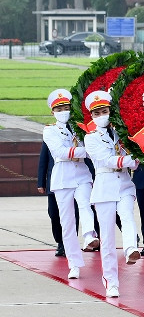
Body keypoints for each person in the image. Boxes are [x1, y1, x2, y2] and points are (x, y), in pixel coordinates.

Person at [82, 91, 141, 297]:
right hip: (105, 186)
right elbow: (107, 159)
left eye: (104, 111)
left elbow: (135, 156)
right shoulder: (90, 138)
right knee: (107, 238)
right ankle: (111, 281)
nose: (101, 115)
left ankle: (131, 248)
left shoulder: (121, 133)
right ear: (92, 116)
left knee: (127, 215)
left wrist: (136, 157)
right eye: (97, 113)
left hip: (124, 182)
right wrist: (131, 159)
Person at [42, 89, 97, 280]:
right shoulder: (49, 130)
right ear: (53, 111)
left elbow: (90, 147)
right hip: (63, 176)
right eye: (59, 108)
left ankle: (89, 235)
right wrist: (84, 150)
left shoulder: (80, 127)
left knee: (85, 203)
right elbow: (60, 152)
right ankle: (74, 264)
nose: (64, 111)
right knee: (67, 223)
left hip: (82, 173)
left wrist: (83, 150)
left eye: (66, 107)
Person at [37, 142, 67, 257]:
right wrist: (41, 182)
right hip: (53, 183)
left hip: (70, 183)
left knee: (71, 215)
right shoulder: (50, 134)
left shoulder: (73, 134)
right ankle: (60, 241)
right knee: (54, 214)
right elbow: (43, 160)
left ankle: (67, 244)